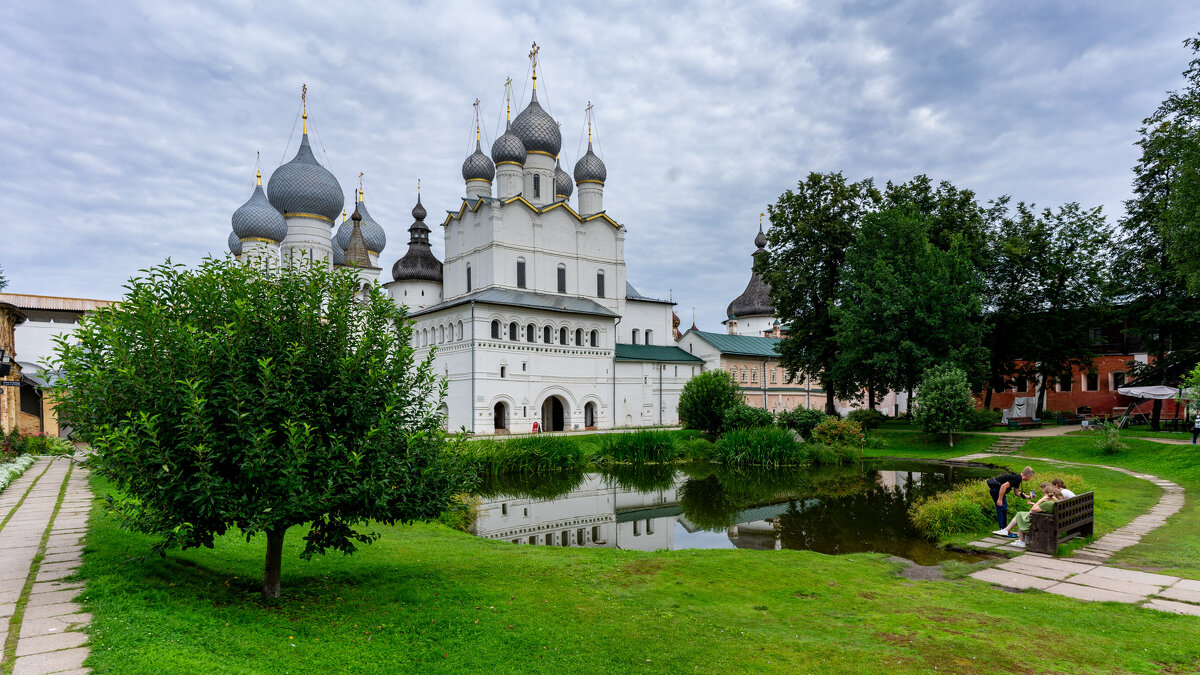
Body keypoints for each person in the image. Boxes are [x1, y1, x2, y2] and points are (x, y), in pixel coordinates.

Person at [996, 485, 1064, 548]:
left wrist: (1041, 500)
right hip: (1047, 522)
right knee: (1021, 515)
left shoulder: (1048, 503)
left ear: (1046, 494)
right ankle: (1010, 533)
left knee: (1020, 516)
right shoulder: (1055, 501)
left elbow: (1033, 510)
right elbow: (1040, 509)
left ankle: (1020, 540)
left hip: (1041, 524)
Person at [988, 466, 1034, 533]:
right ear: (1028, 475)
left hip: (999, 492)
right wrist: (1000, 499)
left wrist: (1029, 497)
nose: (1030, 479)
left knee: (1004, 509)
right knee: (1001, 509)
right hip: (996, 491)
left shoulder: (1018, 479)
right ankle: (1003, 529)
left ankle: (1005, 529)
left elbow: (1017, 493)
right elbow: (1003, 486)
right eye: (1031, 477)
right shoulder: (1017, 478)